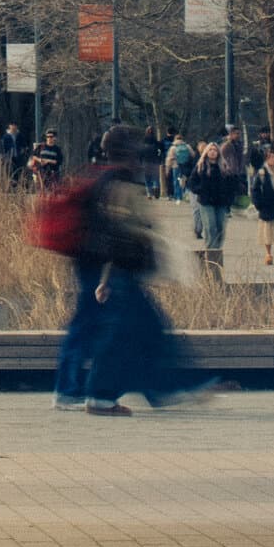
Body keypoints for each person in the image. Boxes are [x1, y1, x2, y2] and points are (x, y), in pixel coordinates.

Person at [81, 125, 215, 415]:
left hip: (123, 271)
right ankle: (108, 395)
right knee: (133, 332)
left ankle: (159, 390)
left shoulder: (115, 180)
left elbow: (114, 232)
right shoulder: (120, 182)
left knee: (142, 330)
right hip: (123, 271)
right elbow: (120, 232)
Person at [187, 140, 235, 262]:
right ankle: (211, 252)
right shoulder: (201, 166)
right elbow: (192, 183)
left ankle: (217, 250)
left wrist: (229, 198)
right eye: (210, 150)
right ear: (206, 152)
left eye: (215, 150)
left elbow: (232, 185)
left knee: (220, 228)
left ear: (218, 152)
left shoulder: (224, 167)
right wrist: (200, 190)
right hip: (206, 201)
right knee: (210, 227)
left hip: (221, 202)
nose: (213, 152)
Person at [164, 130, 195, 202]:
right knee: (184, 180)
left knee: (176, 181)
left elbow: (169, 160)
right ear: (182, 139)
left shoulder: (173, 147)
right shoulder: (187, 146)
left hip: (176, 166)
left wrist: (167, 169)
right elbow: (193, 155)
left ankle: (178, 197)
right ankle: (185, 195)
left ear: (175, 139)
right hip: (185, 166)